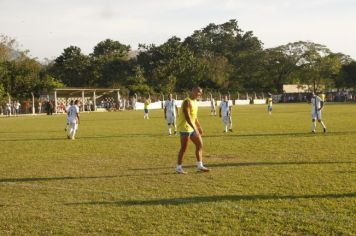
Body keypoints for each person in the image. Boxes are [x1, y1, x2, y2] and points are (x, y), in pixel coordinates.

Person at [176, 87, 209, 174]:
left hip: (192, 127)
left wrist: (199, 126)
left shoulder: (195, 102)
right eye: (198, 92)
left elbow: (194, 116)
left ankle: (199, 165)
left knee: (200, 144)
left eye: (200, 93)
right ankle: (179, 167)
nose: (199, 94)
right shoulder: (187, 101)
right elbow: (187, 117)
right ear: (192, 91)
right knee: (184, 148)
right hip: (185, 128)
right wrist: (195, 128)